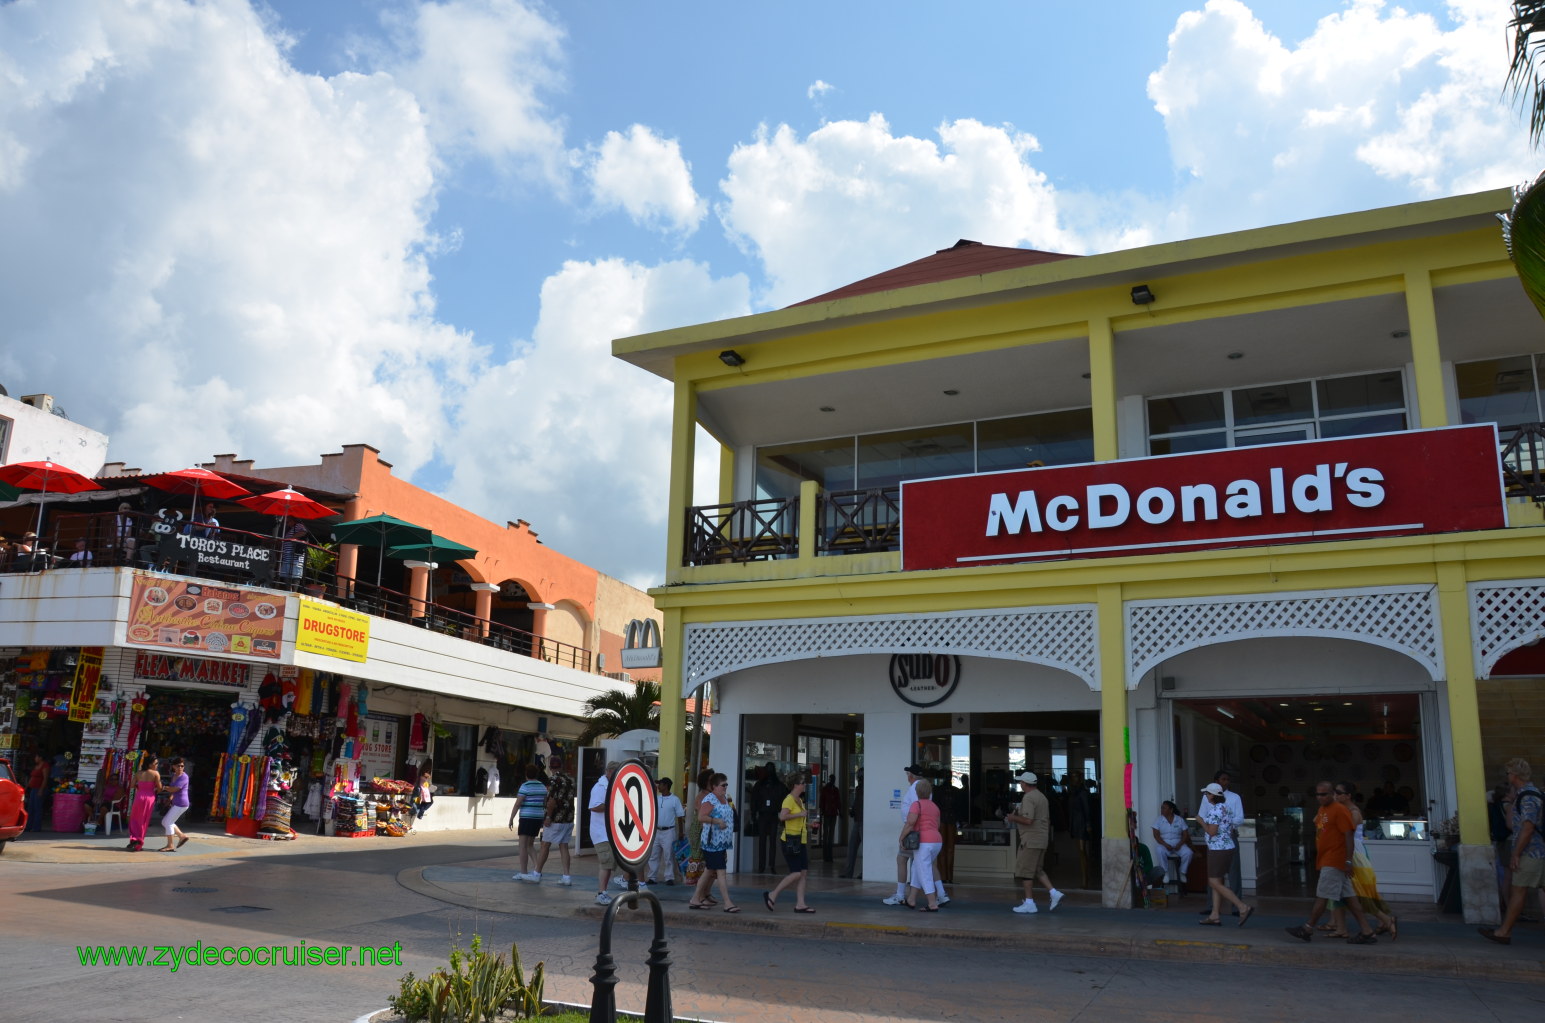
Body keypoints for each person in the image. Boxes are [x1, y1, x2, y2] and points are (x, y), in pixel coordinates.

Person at [1285, 781, 1378, 944]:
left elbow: (1348, 835)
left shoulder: (1340, 810)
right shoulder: (1322, 810)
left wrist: (1348, 860)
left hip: (1335, 860)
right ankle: (1367, 931)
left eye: (1324, 794)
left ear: (1332, 794)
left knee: (1322, 895)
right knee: (1350, 897)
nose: (1320, 797)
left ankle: (1307, 928)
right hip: (1328, 858)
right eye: (1317, 794)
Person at [1480, 757, 1545, 945]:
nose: (1507, 776)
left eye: (1508, 773)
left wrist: (1516, 853)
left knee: (1518, 891)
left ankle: (1504, 931)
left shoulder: (1528, 796)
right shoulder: (1531, 793)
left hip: (1532, 852)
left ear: (1514, 775)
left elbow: (1528, 827)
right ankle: (1504, 931)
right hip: (1536, 851)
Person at [1321, 784, 1397, 940]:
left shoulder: (1353, 813)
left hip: (1352, 855)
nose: (1335, 795)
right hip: (1344, 853)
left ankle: (1384, 919)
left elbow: (1344, 834)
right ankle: (1341, 927)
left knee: (1356, 892)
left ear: (1348, 795)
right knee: (1341, 892)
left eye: (1338, 793)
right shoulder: (1342, 810)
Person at [1004, 770, 1063, 914]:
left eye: (1021, 782)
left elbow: (1028, 820)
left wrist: (1012, 818)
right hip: (1042, 839)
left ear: (1025, 784)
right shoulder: (1042, 797)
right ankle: (1054, 893)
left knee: (1026, 872)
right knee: (1037, 869)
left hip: (1030, 840)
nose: (1020, 784)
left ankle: (1030, 903)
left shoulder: (1029, 798)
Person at [1197, 783, 1255, 926]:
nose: (1205, 796)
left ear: (1212, 796)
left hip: (1218, 849)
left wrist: (1201, 821)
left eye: (1207, 793)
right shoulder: (1226, 808)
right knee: (1218, 881)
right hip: (1227, 846)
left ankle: (1242, 907)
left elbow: (1211, 832)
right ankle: (1215, 915)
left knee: (1214, 882)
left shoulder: (1214, 811)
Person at [688, 773, 740, 912]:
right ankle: (727, 903)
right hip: (712, 843)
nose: (725, 787)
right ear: (714, 786)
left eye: (726, 785)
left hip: (721, 842)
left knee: (709, 871)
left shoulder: (724, 798)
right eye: (723, 785)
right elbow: (701, 817)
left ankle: (695, 898)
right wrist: (716, 821)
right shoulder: (709, 799)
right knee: (721, 872)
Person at [764, 770, 815, 912]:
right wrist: (800, 814)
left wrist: (808, 825)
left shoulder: (799, 800)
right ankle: (772, 894)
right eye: (803, 783)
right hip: (790, 840)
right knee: (796, 872)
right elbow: (782, 817)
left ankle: (800, 904)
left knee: (803, 873)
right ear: (795, 785)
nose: (805, 785)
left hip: (800, 839)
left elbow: (796, 819)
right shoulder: (789, 799)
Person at [532, 752, 576, 886]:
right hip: (568, 818)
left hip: (555, 819)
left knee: (545, 844)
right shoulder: (570, 779)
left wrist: (549, 817)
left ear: (550, 768)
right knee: (564, 846)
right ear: (561, 766)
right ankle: (566, 876)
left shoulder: (553, 780)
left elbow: (551, 801)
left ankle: (536, 873)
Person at [900, 778, 943, 911]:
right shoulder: (935, 806)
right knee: (918, 869)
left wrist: (901, 837)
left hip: (924, 842)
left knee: (924, 872)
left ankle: (932, 903)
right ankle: (911, 899)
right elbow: (938, 824)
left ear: (917, 791)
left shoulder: (916, 805)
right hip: (937, 841)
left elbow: (910, 823)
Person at [589, 761, 622, 905]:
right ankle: (601, 893)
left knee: (609, 864)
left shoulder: (612, 786)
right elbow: (594, 806)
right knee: (606, 863)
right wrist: (613, 803)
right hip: (601, 833)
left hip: (609, 832)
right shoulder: (600, 787)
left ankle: (604, 892)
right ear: (609, 772)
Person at [508, 763, 548, 881]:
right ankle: (537, 869)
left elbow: (518, 803)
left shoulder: (525, 786)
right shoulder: (542, 786)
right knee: (530, 845)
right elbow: (544, 802)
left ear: (526, 774)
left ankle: (523, 872)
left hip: (526, 818)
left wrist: (511, 818)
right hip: (537, 818)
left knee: (522, 846)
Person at [1213, 770, 1245, 910]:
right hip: (1214, 837)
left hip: (1229, 835)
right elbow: (1202, 815)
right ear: (1216, 781)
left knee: (1233, 871)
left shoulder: (1234, 797)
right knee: (1213, 874)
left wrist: (1226, 824)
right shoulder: (1208, 796)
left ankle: (1236, 906)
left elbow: (1239, 818)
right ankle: (1212, 907)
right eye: (1223, 779)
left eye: (1227, 779)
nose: (1226, 782)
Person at [647, 777, 685, 885]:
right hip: (656, 831)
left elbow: (680, 816)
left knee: (669, 856)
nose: (658, 786)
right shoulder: (656, 798)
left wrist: (681, 832)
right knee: (654, 855)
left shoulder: (675, 800)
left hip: (669, 831)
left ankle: (669, 877)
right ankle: (652, 877)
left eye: (661, 784)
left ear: (666, 786)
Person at [750, 762, 786, 873]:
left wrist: (782, 814)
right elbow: (754, 800)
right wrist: (753, 814)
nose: (770, 771)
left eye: (771, 769)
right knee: (762, 841)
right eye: (768, 769)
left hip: (773, 815)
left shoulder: (778, 785)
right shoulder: (759, 785)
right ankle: (762, 865)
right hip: (763, 815)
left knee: (772, 842)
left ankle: (771, 865)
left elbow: (784, 799)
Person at [1151, 800, 1193, 889]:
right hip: (1164, 842)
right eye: (1161, 808)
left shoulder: (1179, 819)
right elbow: (1156, 835)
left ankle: (1182, 872)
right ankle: (1165, 873)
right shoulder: (1159, 820)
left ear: (1171, 810)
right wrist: (1165, 845)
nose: (1161, 810)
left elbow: (1185, 834)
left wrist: (1180, 844)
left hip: (1178, 842)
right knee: (1159, 850)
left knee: (1188, 852)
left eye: (1164, 808)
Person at [126, 753, 160, 852]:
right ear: (150, 764)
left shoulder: (138, 773)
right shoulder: (155, 774)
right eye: (155, 763)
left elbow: (132, 786)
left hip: (139, 797)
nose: (157, 765)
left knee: (134, 818)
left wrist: (140, 788)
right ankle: (139, 842)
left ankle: (134, 838)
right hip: (149, 798)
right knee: (144, 820)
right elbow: (159, 788)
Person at [156, 757, 191, 852]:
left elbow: (175, 789)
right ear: (173, 767)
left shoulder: (184, 776)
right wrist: (170, 798)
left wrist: (163, 787)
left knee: (167, 822)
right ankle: (181, 836)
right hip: (177, 803)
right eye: (178, 766)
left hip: (181, 804)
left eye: (182, 766)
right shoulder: (174, 775)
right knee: (166, 822)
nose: (180, 767)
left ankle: (170, 845)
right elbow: (173, 790)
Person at [841, 768, 864, 878]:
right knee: (852, 847)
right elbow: (857, 802)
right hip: (858, 820)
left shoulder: (865, 788)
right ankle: (848, 872)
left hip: (862, 821)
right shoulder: (859, 788)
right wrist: (853, 810)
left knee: (860, 848)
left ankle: (863, 872)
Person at [820, 774, 842, 862]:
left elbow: (838, 801)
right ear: (829, 779)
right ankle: (825, 856)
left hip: (833, 813)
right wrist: (822, 810)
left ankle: (830, 856)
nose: (832, 780)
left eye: (834, 779)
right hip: (827, 813)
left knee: (831, 835)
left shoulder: (836, 790)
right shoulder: (825, 789)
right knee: (826, 835)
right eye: (831, 779)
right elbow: (822, 801)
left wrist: (840, 811)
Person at [24, 754, 48, 832]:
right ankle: (28, 826)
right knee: (30, 808)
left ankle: (36, 827)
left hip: (39, 789)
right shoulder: (36, 766)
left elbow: (45, 779)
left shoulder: (45, 766)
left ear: (40, 757)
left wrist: (41, 790)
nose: (35, 758)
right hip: (33, 789)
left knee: (37, 808)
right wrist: (27, 787)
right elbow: (32, 777)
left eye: (36, 757)